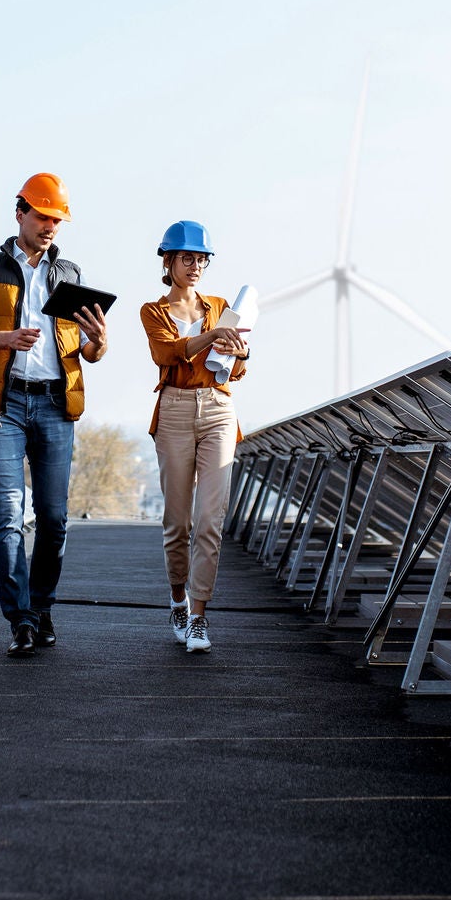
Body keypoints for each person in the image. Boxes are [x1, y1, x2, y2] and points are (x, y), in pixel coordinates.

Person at [0, 173, 110, 657]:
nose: (50, 227)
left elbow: (87, 350)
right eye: (43, 216)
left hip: (56, 403)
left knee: (55, 518)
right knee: (9, 515)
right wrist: (5, 338)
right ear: (19, 213)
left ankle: (41, 609)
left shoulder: (71, 275)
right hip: (3, 404)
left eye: (57, 220)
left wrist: (100, 341)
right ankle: (18, 618)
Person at [139, 221, 249, 654]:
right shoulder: (153, 310)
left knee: (210, 521)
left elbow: (235, 370)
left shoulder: (221, 306)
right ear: (168, 261)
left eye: (202, 258)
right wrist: (210, 336)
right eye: (188, 258)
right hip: (175, 410)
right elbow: (165, 353)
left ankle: (200, 617)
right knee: (178, 522)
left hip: (219, 408)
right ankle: (177, 600)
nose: (196, 265)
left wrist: (239, 354)